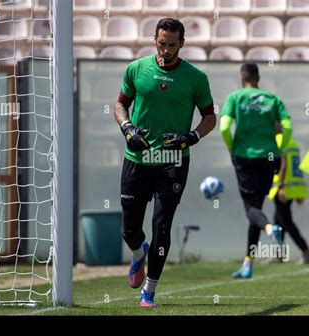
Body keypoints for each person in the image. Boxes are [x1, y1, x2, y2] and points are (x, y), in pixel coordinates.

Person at [113, 18, 216, 308]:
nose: (167, 50)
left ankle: (150, 290)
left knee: (162, 226)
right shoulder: (136, 69)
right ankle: (138, 255)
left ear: (182, 44)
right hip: (137, 158)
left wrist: (191, 137)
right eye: (162, 43)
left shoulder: (195, 77)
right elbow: (120, 104)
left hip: (172, 161)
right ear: (154, 40)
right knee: (129, 229)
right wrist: (127, 129)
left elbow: (210, 117)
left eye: (173, 44)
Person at [219, 62, 292, 279]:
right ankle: (248, 264)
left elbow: (223, 126)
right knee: (256, 209)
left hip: (245, 157)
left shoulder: (235, 98)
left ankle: (270, 229)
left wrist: (231, 147)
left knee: (251, 210)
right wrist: (281, 149)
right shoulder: (273, 99)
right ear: (258, 78)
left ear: (243, 78)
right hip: (269, 158)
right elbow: (287, 127)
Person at [267, 123, 309, 264]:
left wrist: (281, 186)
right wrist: (299, 192)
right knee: (279, 222)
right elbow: (296, 167)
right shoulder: (292, 142)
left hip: (283, 189)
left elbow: (283, 164)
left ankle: (306, 251)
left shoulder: (279, 141)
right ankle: (279, 254)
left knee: (286, 222)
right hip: (292, 188)